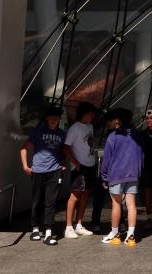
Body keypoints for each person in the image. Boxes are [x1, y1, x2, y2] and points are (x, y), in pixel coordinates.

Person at [19, 106, 66, 246]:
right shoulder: (37, 132)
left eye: (56, 118)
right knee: (37, 200)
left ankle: (48, 233)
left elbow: (64, 150)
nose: (53, 120)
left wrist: (63, 164)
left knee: (50, 202)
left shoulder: (62, 134)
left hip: (55, 171)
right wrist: (25, 166)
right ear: (47, 119)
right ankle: (35, 228)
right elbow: (23, 148)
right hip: (38, 171)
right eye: (51, 117)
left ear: (59, 119)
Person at [100, 108, 143, 248]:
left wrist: (104, 176)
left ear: (117, 121)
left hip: (116, 174)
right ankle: (131, 236)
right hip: (133, 174)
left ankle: (115, 234)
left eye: (110, 121)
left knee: (116, 204)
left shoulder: (113, 137)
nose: (108, 123)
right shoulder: (137, 135)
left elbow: (106, 159)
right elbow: (141, 155)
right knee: (131, 205)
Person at [63, 102, 98, 240]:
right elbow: (66, 147)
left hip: (90, 165)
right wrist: (76, 164)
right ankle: (68, 227)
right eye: (91, 113)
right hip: (80, 166)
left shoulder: (90, 126)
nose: (93, 116)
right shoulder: (75, 128)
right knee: (75, 195)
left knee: (85, 195)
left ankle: (79, 224)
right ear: (84, 113)